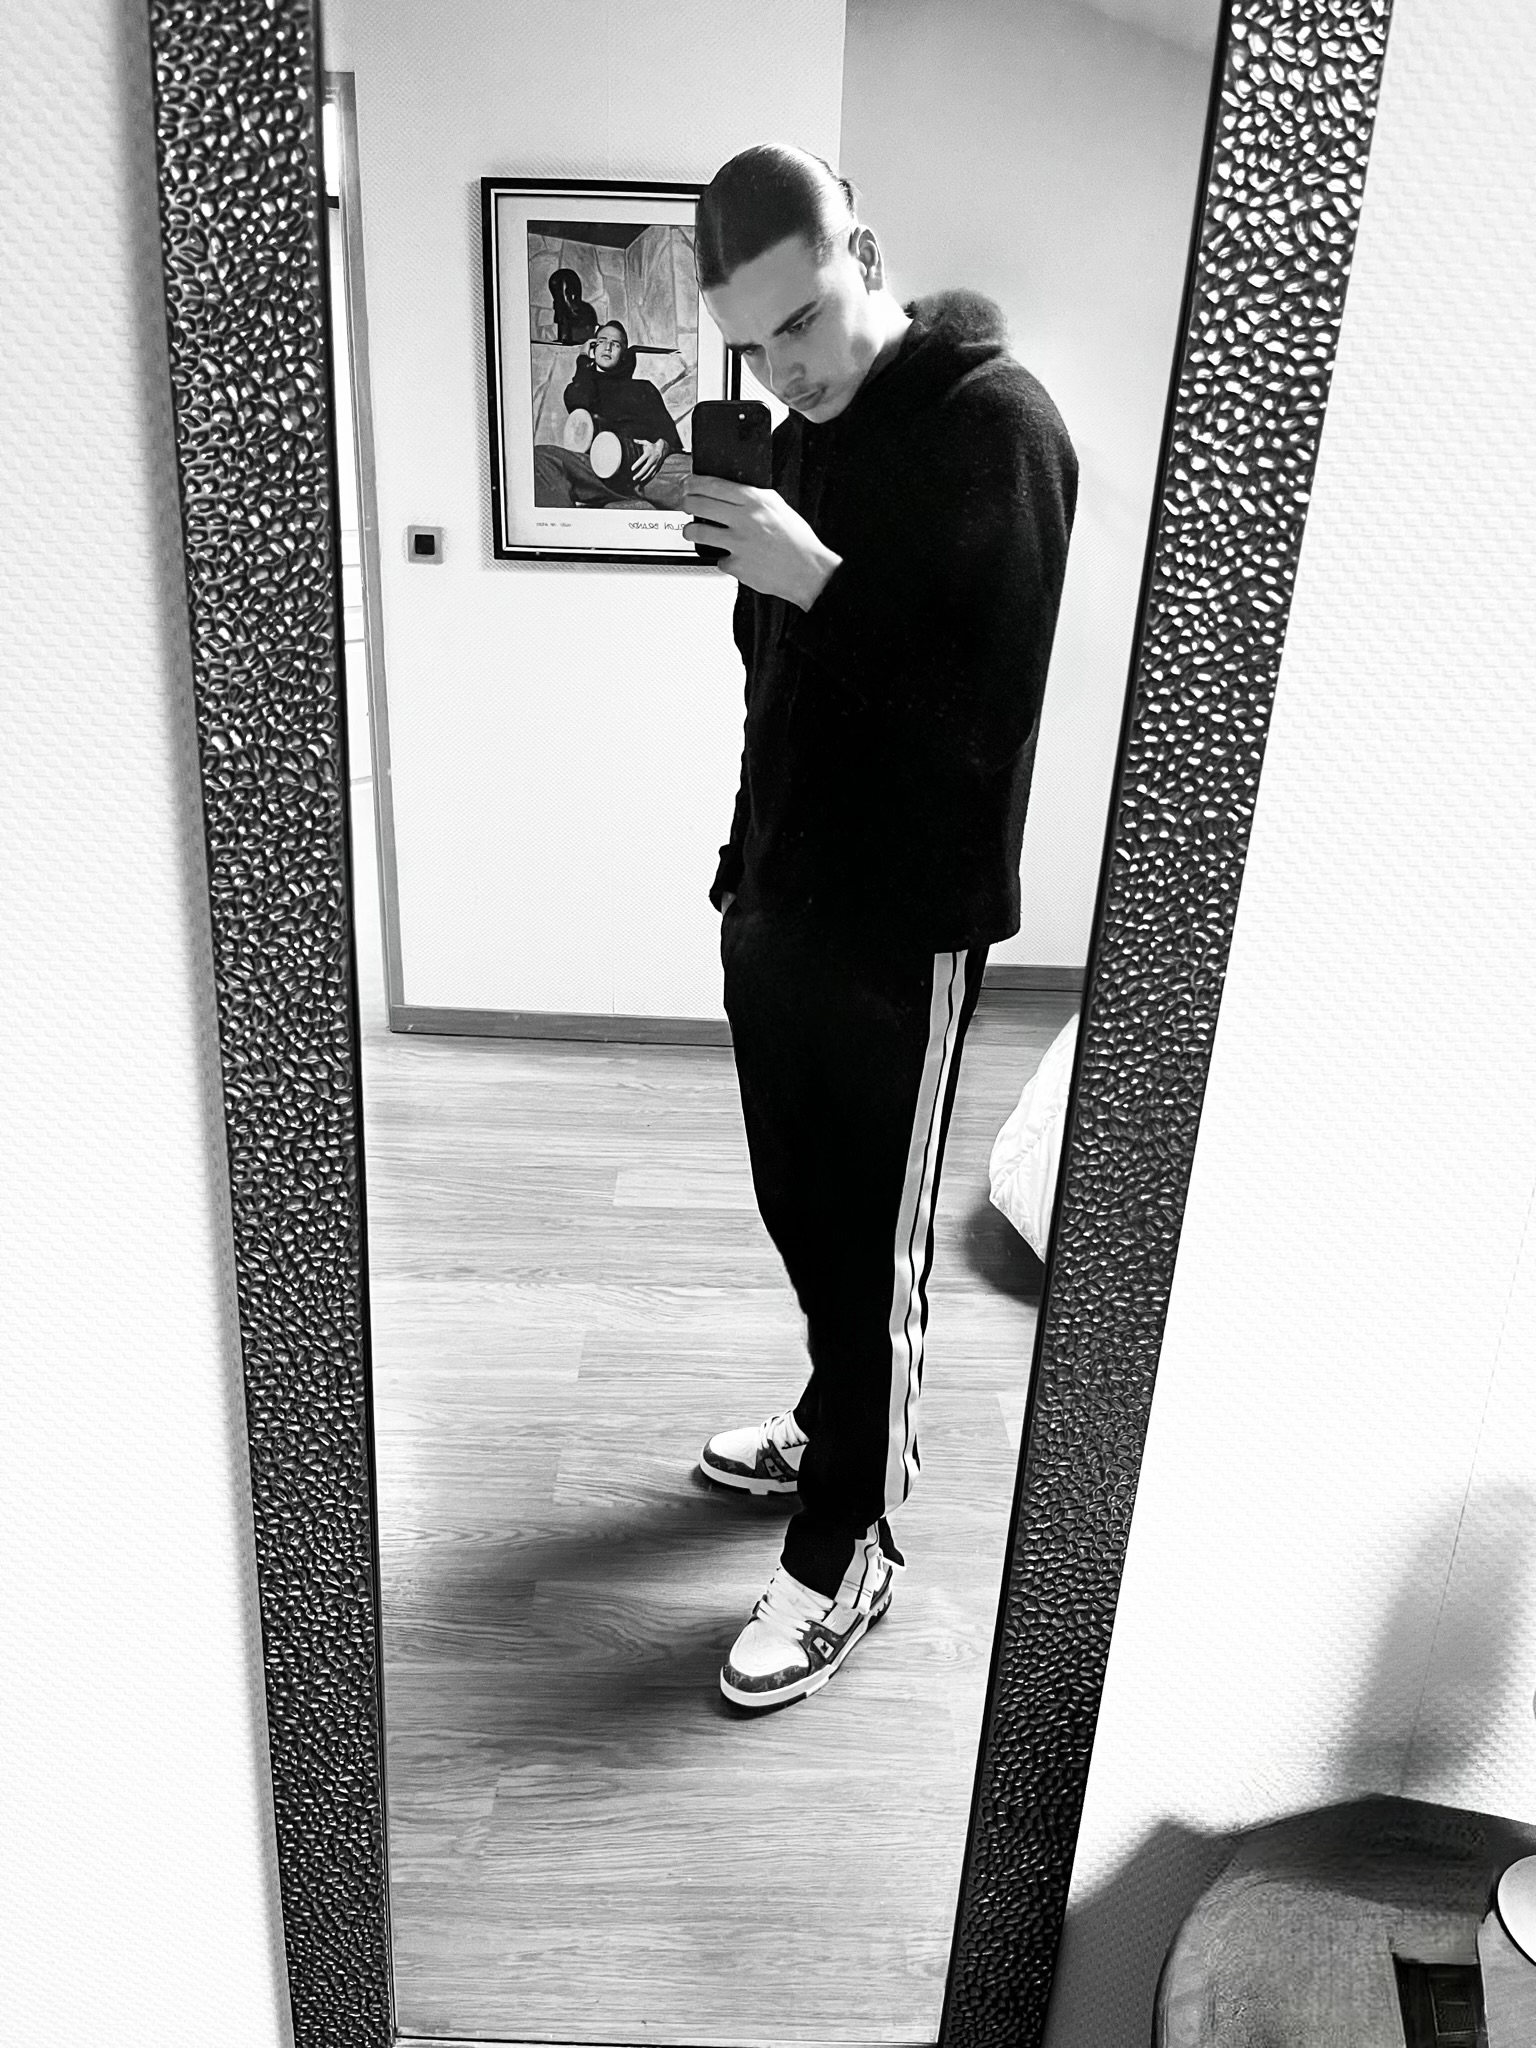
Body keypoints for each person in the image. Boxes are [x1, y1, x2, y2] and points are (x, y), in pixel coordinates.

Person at [682, 144, 1078, 1712]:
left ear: (864, 252)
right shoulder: (801, 441)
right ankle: (834, 1417)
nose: (783, 368)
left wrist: (819, 584)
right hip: (779, 902)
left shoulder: (1000, 425)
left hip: (902, 926)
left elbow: (987, 718)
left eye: (802, 320)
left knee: (873, 1253)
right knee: (804, 1216)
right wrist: (740, 871)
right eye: (753, 343)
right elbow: (780, 694)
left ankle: (850, 1546)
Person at [533, 321, 691, 510]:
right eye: (601, 341)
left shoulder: (643, 388)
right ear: (593, 347)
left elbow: (670, 437)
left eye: (615, 344)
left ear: (623, 353)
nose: (607, 347)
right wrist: (583, 359)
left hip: (644, 468)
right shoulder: (584, 387)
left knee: (699, 470)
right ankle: (561, 526)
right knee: (541, 457)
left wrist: (661, 448)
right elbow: (578, 403)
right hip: (597, 470)